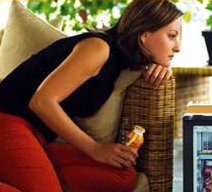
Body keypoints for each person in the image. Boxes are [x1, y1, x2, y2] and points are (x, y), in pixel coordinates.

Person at [0, 0, 182, 191]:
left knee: (122, 176)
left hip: (38, 137)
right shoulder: (98, 47)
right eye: (172, 36)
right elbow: (42, 101)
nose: (178, 47)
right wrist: (95, 149)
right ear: (144, 35)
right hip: (7, 121)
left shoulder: (121, 60)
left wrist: (162, 69)